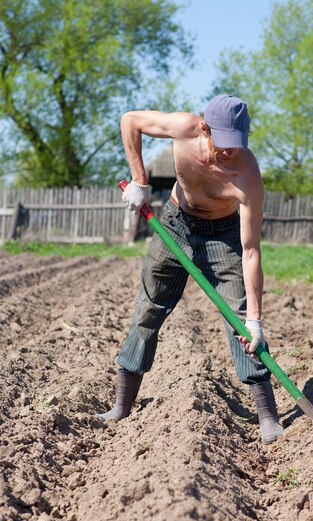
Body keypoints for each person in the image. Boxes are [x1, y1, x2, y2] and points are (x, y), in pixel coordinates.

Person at [97, 94, 283, 444]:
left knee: (240, 321)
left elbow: (251, 250)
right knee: (148, 310)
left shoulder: (247, 175)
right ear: (204, 128)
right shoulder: (183, 128)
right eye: (222, 142)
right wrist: (140, 180)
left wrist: (255, 320)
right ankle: (122, 404)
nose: (229, 153)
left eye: (236, 144)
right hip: (174, 224)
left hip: (224, 236)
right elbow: (130, 120)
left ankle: (267, 415)